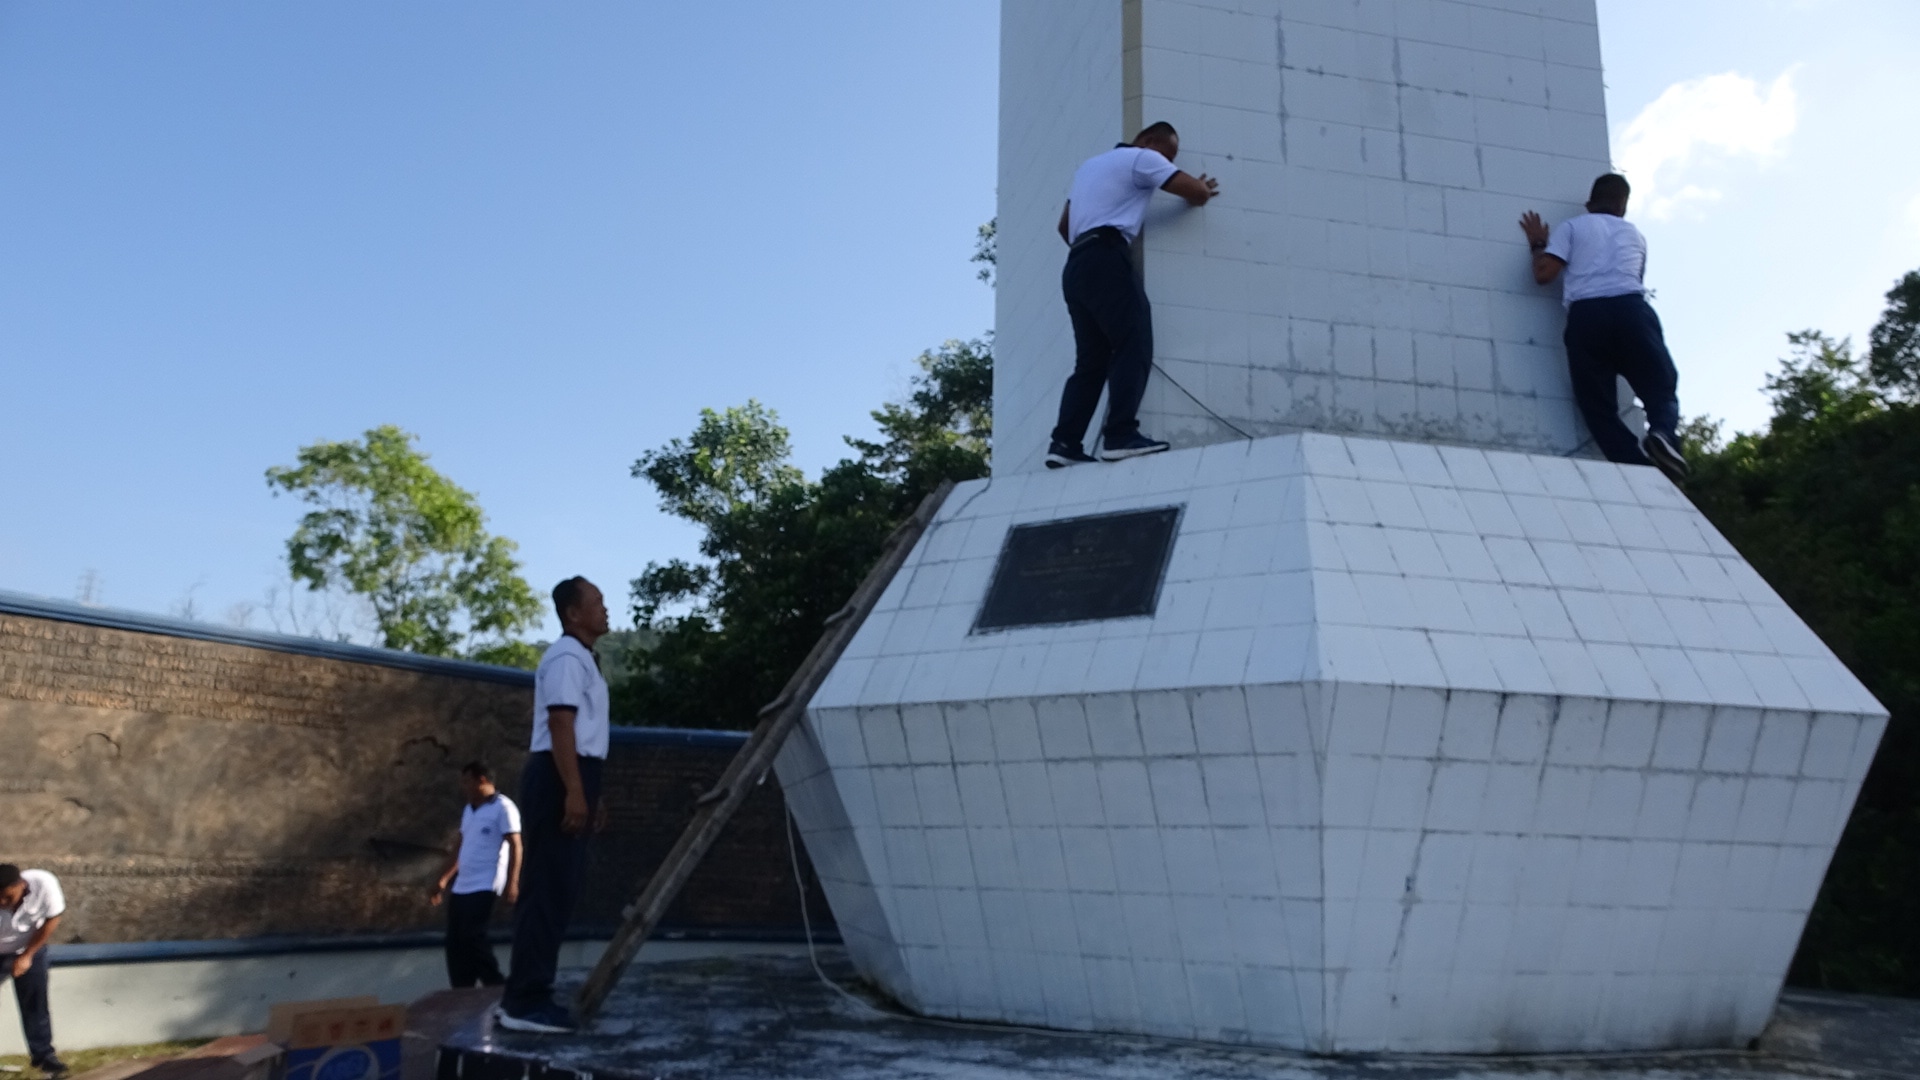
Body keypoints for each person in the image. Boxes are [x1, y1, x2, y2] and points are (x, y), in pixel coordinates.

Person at [1046, 121, 1219, 469]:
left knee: (1091, 362)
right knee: (1133, 341)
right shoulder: (1142, 157)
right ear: (1149, 140)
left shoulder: (1090, 167)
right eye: (1168, 155)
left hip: (1077, 264)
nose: (1167, 162)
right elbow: (1195, 194)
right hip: (1106, 257)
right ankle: (1121, 435)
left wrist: (1091, 247)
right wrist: (1200, 186)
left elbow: (1064, 226)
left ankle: (1064, 444)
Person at [496, 577, 611, 1034]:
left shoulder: (583, 659)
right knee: (545, 890)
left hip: (573, 774)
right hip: (557, 777)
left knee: (560, 889)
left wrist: (591, 789)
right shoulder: (565, 656)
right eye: (597, 603)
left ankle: (532, 990)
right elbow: (561, 722)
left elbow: (582, 733)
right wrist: (575, 791)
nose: (605, 609)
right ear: (572, 614)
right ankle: (524, 1002)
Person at [1520, 174, 1689, 483]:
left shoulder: (1573, 227)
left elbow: (1544, 274)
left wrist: (1538, 245)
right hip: (1632, 310)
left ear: (1589, 203)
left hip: (1588, 315)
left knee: (1597, 405)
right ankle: (1663, 434)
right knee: (1661, 388)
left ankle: (1637, 468)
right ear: (1623, 204)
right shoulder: (1636, 236)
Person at [429, 761, 522, 989]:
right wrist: (443, 879)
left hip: (486, 882)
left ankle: (495, 984)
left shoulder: (503, 807)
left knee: (473, 935)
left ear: (482, 780)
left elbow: (516, 846)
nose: (463, 787)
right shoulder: (469, 810)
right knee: (455, 941)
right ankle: (462, 988)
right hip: (463, 885)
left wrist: (513, 883)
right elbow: (461, 847)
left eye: (467, 781)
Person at [0, 865, 66, 1078]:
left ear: (21, 885)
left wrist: (27, 955)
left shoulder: (43, 882)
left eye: (7, 898)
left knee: (35, 1003)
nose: (2, 903)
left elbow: (53, 917)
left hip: (30, 947)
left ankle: (44, 1057)